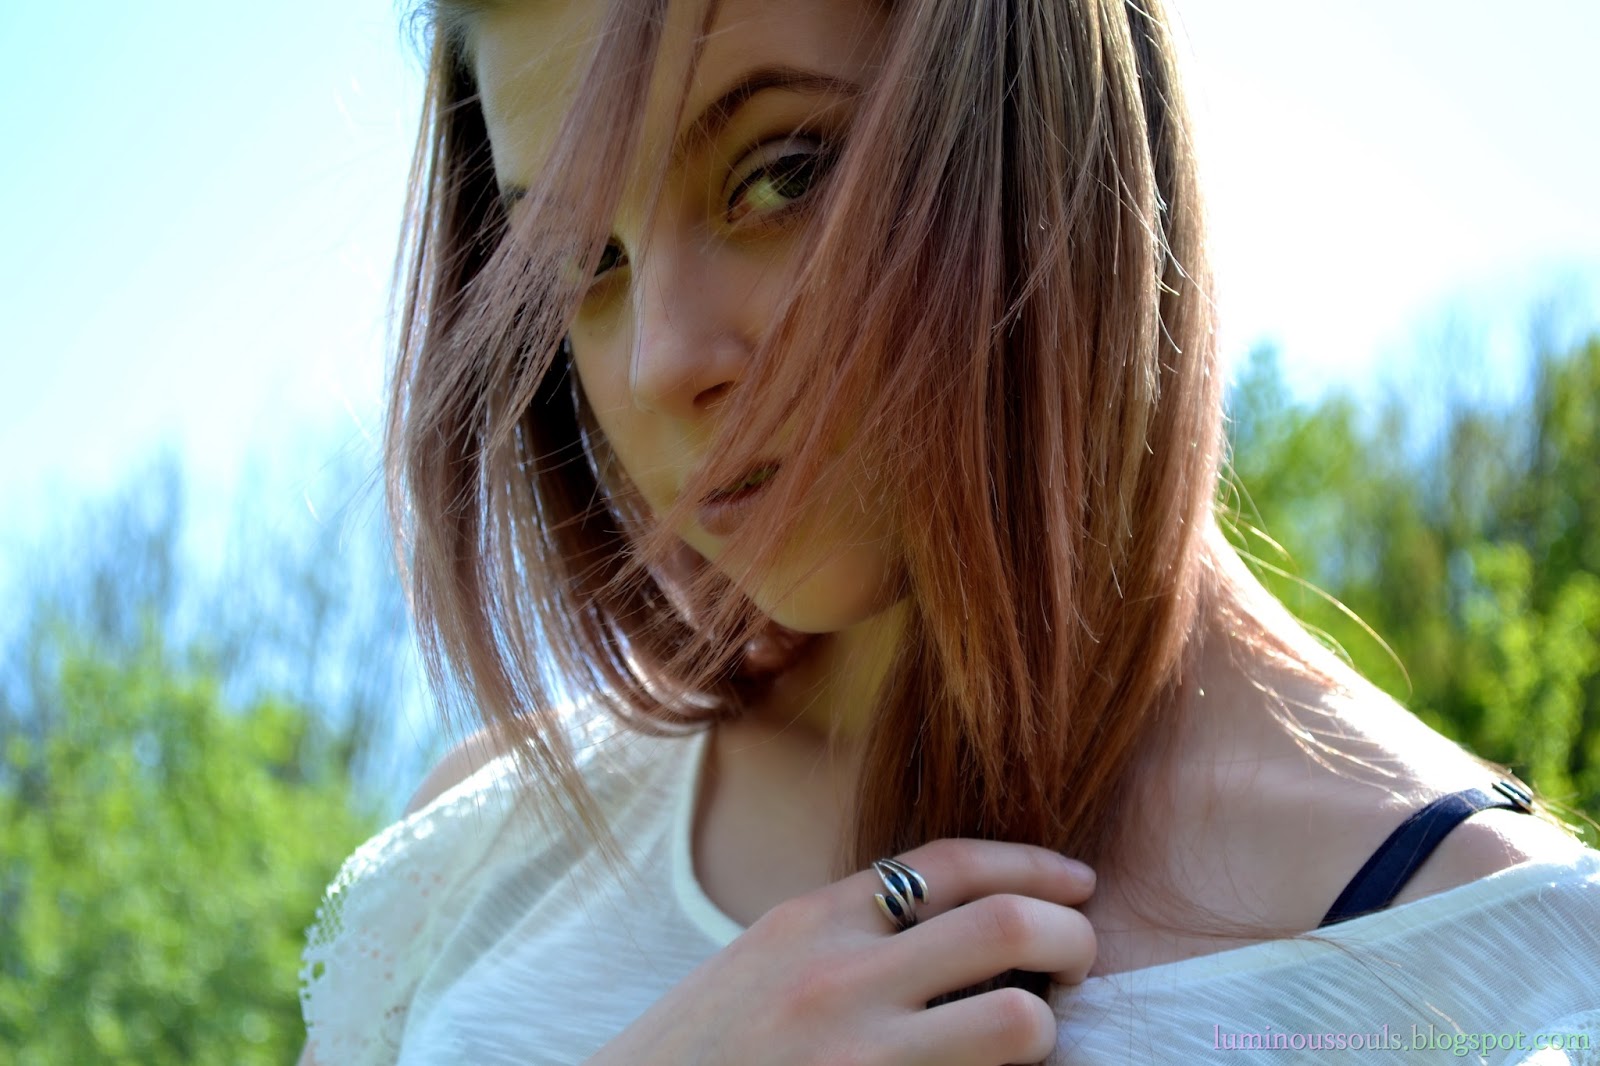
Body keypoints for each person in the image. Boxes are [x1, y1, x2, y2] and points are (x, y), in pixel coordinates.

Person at [298, 0, 1600, 1062]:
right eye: (582, 264)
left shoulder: (1498, 978)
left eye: (780, 173)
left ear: (1037, 111)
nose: (660, 359)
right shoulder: (476, 856)